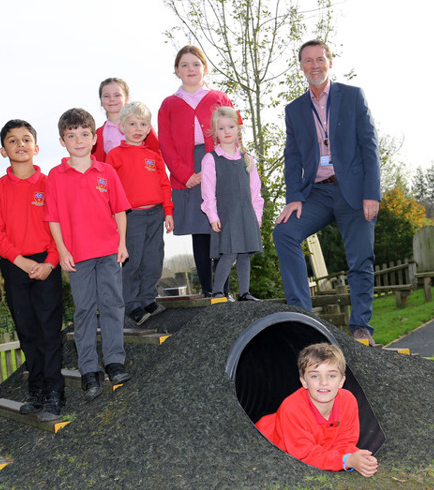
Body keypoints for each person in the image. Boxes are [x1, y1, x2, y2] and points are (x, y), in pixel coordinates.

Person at [273, 39, 381, 346]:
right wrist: (293, 196)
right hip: (317, 194)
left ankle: (361, 327)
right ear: (301, 67)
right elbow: (292, 156)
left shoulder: (351, 96)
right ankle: (303, 320)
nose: (314, 66)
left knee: (360, 260)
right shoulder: (294, 110)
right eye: (308, 61)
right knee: (283, 233)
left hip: (355, 192)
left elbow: (369, 146)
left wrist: (371, 193)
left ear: (329, 62)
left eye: (320, 59)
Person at [44, 108, 132, 401]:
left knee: (112, 304)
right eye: (71, 135)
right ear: (62, 141)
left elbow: (119, 210)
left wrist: (121, 243)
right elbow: (53, 218)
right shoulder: (56, 176)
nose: (78, 140)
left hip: (108, 251)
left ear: (94, 138)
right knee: (84, 311)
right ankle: (89, 370)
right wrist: (63, 250)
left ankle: (114, 361)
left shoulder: (106, 171)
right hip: (77, 256)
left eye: (84, 134)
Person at [0, 119, 65, 421]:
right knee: (27, 330)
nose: (20, 145)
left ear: (36, 147)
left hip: (47, 264)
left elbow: (61, 228)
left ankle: (56, 392)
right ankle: (37, 390)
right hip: (15, 265)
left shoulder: (49, 184)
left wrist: (50, 262)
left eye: (26, 139)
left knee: (49, 329)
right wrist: (19, 261)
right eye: (12, 141)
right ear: (3, 150)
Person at [158, 45, 236, 297]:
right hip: (187, 169)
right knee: (200, 231)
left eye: (196, 64)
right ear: (176, 71)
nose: (190, 69)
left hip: (218, 164)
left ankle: (223, 290)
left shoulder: (219, 98)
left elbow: (234, 133)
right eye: (184, 65)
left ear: (205, 68)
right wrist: (184, 174)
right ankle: (207, 291)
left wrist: (227, 168)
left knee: (220, 228)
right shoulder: (169, 104)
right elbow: (166, 144)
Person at [255, 343, 378, 476]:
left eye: (331, 375)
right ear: (304, 382)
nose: (323, 382)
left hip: (311, 447)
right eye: (314, 376)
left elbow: (346, 442)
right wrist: (345, 461)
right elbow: (303, 455)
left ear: (341, 381)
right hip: (262, 441)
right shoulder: (292, 408)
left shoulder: (348, 401)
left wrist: (356, 458)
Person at [106, 102, 174, 325]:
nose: (137, 128)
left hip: (155, 215)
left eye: (142, 124)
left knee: (153, 259)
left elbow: (164, 185)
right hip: (130, 216)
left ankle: (148, 298)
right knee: (132, 262)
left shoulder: (153, 156)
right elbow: (109, 190)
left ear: (148, 129)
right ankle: (132, 304)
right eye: (132, 123)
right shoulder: (115, 156)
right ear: (122, 128)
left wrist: (168, 212)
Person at [200, 106, 263, 301]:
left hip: (246, 214)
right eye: (221, 128)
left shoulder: (248, 159)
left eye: (231, 126)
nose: (227, 131)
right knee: (229, 253)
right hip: (226, 214)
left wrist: (257, 216)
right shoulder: (211, 159)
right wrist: (213, 216)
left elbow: (255, 192)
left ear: (238, 129)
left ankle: (244, 293)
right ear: (214, 132)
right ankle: (218, 292)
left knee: (245, 254)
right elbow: (208, 191)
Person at [92, 77, 160, 161]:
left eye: (117, 95)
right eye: (106, 96)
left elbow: (157, 153)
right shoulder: (98, 134)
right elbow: (96, 162)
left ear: (126, 99)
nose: (112, 99)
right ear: (101, 101)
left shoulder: (141, 125)